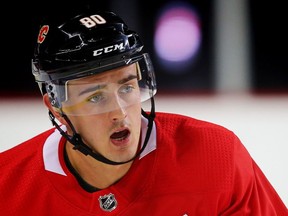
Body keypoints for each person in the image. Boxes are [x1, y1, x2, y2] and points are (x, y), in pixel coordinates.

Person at [0, 6, 287, 216]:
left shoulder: (217, 156)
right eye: (96, 97)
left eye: (127, 87)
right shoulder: (6, 187)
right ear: (56, 107)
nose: (120, 112)